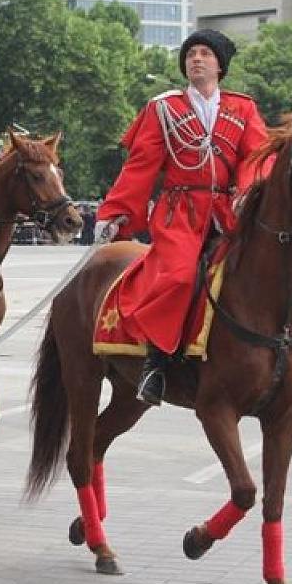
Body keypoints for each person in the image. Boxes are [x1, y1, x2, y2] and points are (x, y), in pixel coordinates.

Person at [93, 29, 268, 405]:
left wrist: (247, 191)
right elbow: (141, 166)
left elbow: (255, 160)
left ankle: (285, 357)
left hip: (228, 211)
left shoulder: (243, 108)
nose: (196, 59)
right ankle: (156, 364)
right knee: (177, 276)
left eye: (205, 53)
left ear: (220, 65)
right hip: (180, 214)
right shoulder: (164, 108)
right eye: (191, 54)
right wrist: (116, 212)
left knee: (270, 271)